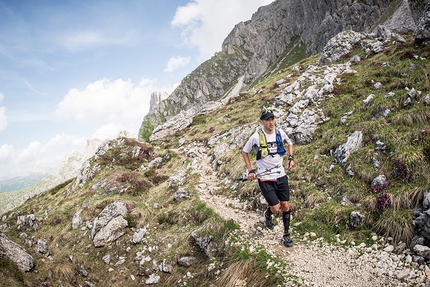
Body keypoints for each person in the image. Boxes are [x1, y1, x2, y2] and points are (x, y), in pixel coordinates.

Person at [241, 109, 295, 247]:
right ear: (261, 122)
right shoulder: (256, 137)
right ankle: (268, 214)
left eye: (272, 119)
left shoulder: (280, 133)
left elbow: (289, 143)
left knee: (286, 205)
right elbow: (244, 152)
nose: (271, 122)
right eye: (268, 120)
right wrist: (251, 170)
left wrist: (290, 158)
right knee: (276, 208)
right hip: (265, 178)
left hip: (281, 175)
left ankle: (286, 234)